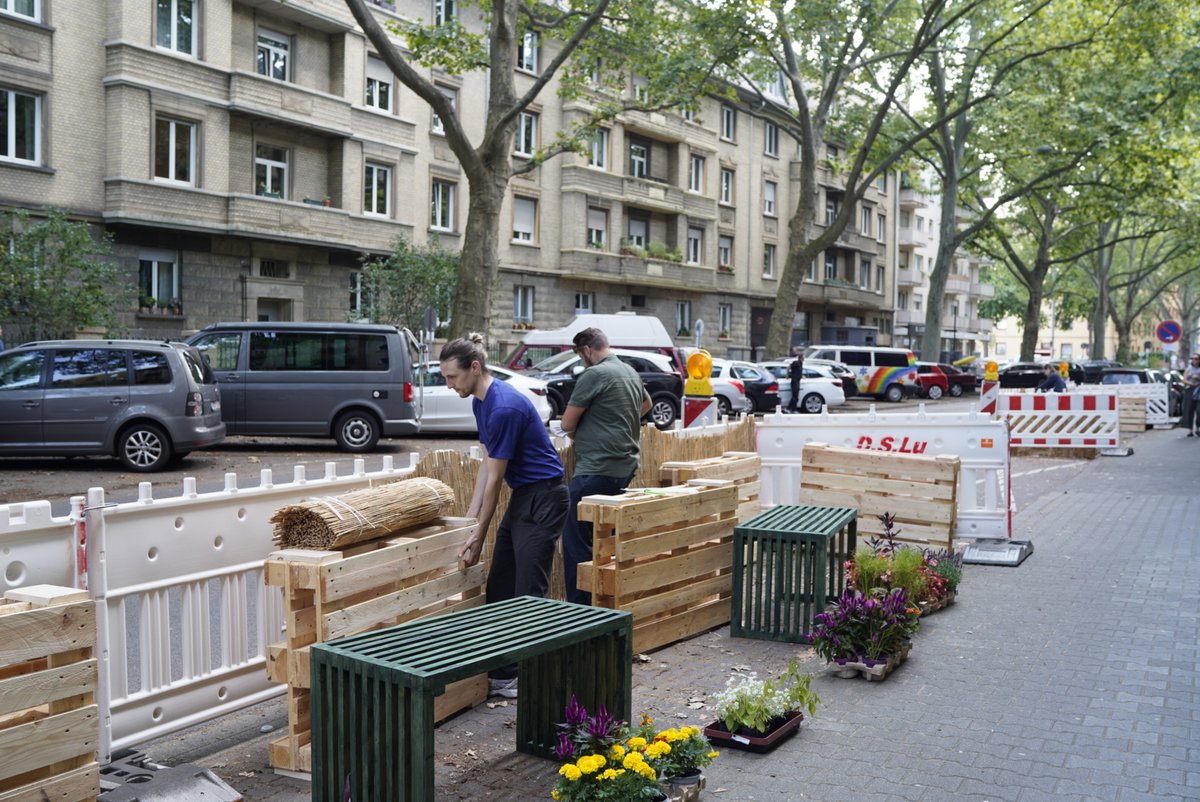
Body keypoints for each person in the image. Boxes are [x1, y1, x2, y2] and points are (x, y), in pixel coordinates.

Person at [440, 333, 569, 698]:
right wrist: (470, 519)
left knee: (529, 593)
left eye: (452, 377)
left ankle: (533, 678)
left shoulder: (504, 408)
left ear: (474, 367)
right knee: (500, 586)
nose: (449, 385)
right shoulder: (480, 403)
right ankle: (504, 675)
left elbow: (497, 479)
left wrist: (480, 535)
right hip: (525, 496)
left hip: (545, 498)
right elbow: (486, 465)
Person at [560, 328, 651, 605]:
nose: (582, 361)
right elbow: (647, 404)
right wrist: (616, 422)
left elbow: (567, 423)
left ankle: (581, 609)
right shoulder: (629, 371)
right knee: (605, 541)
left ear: (587, 350)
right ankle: (606, 603)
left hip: (595, 469)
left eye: (580, 356)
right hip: (624, 469)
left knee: (577, 543)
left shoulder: (594, 374)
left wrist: (593, 427)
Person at [1182, 354, 1200, 436]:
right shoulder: (1188, 369)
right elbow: (1184, 380)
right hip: (1190, 390)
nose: (1194, 360)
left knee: (1199, 411)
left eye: (1196, 358)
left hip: (1199, 391)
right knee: (1189, 410)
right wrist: (1192, 383)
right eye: (1192, 358)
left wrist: (1198, 378)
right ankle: (1190, 430)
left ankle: (1197, 428)